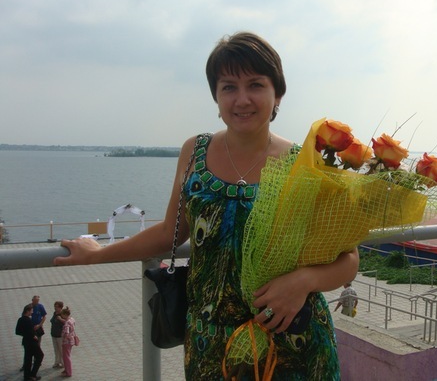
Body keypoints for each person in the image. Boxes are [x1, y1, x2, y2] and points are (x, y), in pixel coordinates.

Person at [55, 32, 359, 379]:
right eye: (228, 87)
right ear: (216, 97)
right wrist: (98, 254)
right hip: (210, 343)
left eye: (256, 85)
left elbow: (349, 260)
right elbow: (170, 233)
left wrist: (304, 281)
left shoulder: (303, 163)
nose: (242, 99)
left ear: (278, 94)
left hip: (292, 339)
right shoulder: (194, 151)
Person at [15, 303, 44, 381]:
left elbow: (17, 331)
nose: (32, 312)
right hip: (32, 342)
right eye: (31, 311)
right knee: (40, 356)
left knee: (28, 359)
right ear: (27, 311)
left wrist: (26, 334)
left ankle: (27, 376)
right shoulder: (28, 320)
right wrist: (33, 336)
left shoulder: (20, 319)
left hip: (25, 342)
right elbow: (30, 331)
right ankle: (33, 374)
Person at [60, 307, 77, 378]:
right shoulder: (72, 319)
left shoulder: (67, 323)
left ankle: (68, 372)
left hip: (66, 342)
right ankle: (67, 369)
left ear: (65, 314)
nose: (61, 316)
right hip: (72, 340)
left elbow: (66, 333)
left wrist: (63, 338)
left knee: (66, 357)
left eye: (62, 314)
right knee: (68, 355)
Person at [50, 301, 65, 369]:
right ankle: (57, 362)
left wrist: (60, 319)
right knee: (56, 350)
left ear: (61, 307)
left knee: (61, 350)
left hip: (60, 335)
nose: (55, 308)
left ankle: (63, 363)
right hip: (54, 334)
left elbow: (66, 323)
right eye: (55, 306)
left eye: (57, 307)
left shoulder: (62, 314)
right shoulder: (55, 313)